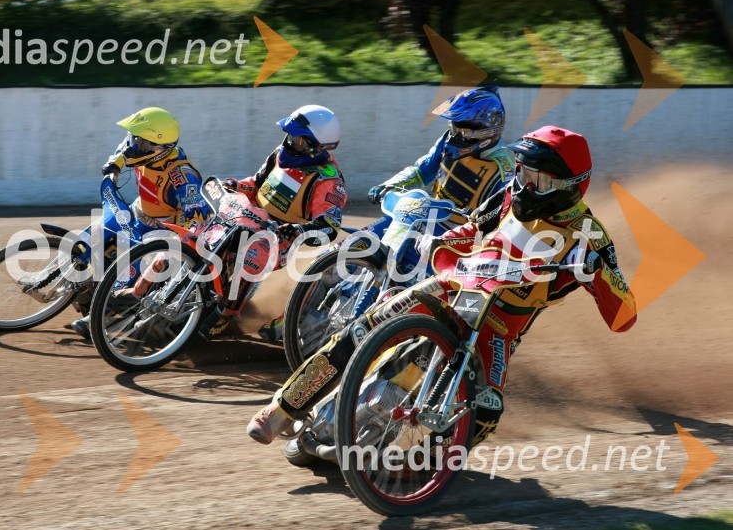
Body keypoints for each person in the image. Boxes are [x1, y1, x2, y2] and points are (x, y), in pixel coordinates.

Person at [247, 125, 637, 447]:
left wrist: (594, 272)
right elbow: (471, 229)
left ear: (571, 185)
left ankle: (422, 471)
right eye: (522, 173)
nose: (525, 185)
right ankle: (281, 410)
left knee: (486, 411)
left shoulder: (591, 237)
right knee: (360, 330)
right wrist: (438, 244)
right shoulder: (508, 197)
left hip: (498, 326)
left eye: (538, 180)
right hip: (448, 288)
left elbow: (624, 317)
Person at [256, 87, 516, 345]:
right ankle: (290, 319)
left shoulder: (503, 167)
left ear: (487, 131)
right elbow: (422, 170)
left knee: (410, 285)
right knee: (341, 253)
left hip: (451, 236)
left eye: (463, 128)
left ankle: (390, 340)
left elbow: (497, 216)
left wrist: (473, 222)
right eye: (455, 126)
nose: (456, 134)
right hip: (416, 215)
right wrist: (390, 185)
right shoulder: (448, 141)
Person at [198, 105, 348, 340]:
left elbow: (329, 225)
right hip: (247, 215)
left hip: (281, 237)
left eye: (297, 139)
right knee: (200, 230)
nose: (289, 142)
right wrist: (237, 186)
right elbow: (256, 183)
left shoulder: (329, 181)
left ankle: (225, 312)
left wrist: (298, 230)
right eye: (289, 135)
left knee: (253, 255)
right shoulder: (280, 153)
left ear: (315, 147)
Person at [69, 106, 209, 339]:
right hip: (137, 211)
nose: (133, 146)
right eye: (134, 138)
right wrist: (114, 167)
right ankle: (85, 284)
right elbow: (123, 151)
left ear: (161, 148)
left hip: (162, 230)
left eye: (140, 142)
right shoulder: (143, 150)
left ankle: (102, 314)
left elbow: (198, 215)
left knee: (127, 269)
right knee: (94, 236)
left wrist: (181, 241)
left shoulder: (183, 176)